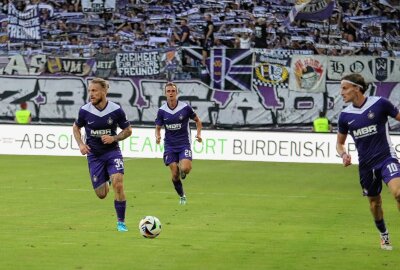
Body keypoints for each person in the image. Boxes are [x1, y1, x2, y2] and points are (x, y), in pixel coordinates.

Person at [336, 73, 400, 251]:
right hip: (366, 166)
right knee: (374, 203)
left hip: (387, 158)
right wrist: (343, 155)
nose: (341, 92)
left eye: (344, 88)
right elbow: (339, 144)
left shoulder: (380, 104)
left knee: (399, 193)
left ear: (357, 88)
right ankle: (384, 234)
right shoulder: (345, 116)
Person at [72, 78, 132, 232]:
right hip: (94, 156)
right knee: (101, 194)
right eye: (89, 90)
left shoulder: (116, 110)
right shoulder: (85, 110)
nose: (91, 94)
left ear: (104, 91)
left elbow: (128, 130)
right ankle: (107, 177)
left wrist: (114, 138)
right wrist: (80, 144)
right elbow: (76, 128)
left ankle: (121, 222)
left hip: (112, 152)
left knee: (118, 183)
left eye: (94, 90)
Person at [155, 82, 202, 205]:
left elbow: (198, 121)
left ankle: (183, 170)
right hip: (169, 145)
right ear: (165, 93)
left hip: (184, 143)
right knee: (174, 174)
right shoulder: (162, 111)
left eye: (173, 91)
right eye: (168, 91)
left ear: (177, 93)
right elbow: (158, 127)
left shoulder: (185, 108)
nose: (171, 93)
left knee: (186, 168)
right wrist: (158, 136)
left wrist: (199, 134)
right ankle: (182, 196)